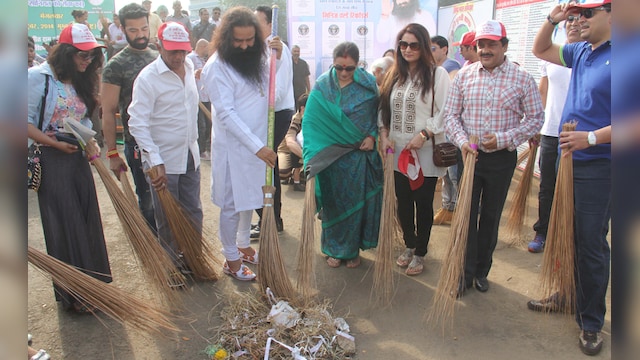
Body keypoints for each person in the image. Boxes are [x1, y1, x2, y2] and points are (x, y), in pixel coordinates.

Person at [529, 1, 611, 355]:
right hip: (569, 159)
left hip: (600, 164)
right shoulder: (580, 52)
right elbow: (541, 49)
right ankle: (566, 294)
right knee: (566, 233)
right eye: (577, 14)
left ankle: (591, 321)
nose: (580, 20)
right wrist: (552, 19)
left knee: (591, 243)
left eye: (588, 13)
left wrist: (591, 138)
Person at [444, 20, 544, 297]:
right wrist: (464, 143)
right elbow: (450, 116)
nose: (485, 49)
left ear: (504, 46)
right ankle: (462, 273)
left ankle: (481, 271)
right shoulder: (464, 76)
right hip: (469, 157)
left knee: (489, 216)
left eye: (491, 44)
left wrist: (504, 138)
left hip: (501, 159)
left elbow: (536, 118)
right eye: (481, 44)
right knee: (465, 214)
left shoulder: (521, 78)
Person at [27, 23, 111, 313]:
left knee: (87, 219)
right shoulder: (38, 78)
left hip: (77, 157)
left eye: (91, 56)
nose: (87, 61)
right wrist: (54, 144)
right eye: (81, 55)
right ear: (65, 53)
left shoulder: (83, 80)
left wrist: (91, 142)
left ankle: (95, 287)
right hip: (52, 160)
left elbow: (84, 120)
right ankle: (76, 295)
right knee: (66, 224)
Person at [200, 6, 285, 280]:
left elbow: (270, 82)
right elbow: (225, 113)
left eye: (251, 40)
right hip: (235, 148)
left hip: (259, 143)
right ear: (226, 38)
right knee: (231, 204)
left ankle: (243, 244)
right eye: (239, 41)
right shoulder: (217, 67)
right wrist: (256, 146)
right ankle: (231, 259)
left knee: (250, 198)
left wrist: (278, 57)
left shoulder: (256, 54)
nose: (246, 46)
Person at [128, 21, 202, 280]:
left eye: (183, 51)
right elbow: (137, 122)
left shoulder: (190, 66)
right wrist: (153, 160)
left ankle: (194, 258)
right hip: (163, 160)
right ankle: (171, 267)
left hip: (190, 155)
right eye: (173, 51)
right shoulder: (148, 79)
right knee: (167, 218)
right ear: (159, 47)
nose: (179, 56)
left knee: (193, 210)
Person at [303, 41, 383, 268]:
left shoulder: (368, 85)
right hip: (330, 157)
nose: (344, 73)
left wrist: (372, 136)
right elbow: (310, 124)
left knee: (355, 204)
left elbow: (377, 117)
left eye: (350, 68)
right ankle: (334, 250)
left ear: (358, 65)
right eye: (339, 67)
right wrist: (311, 158)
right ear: (333, 63)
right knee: (334, 203)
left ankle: (352, 250)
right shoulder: (322, 86)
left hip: (357, 156)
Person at [378, 23, 450, 275]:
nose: (408, 49)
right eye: (403, 44)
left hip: (425, 151)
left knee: (422, 202)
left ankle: (420, 252)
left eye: (414, 45)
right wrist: (384, 133)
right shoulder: (395, 75)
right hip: (398, 150)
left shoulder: (437, 74)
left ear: (424, 46)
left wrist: (424, 134)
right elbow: (383, 110)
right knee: (403, 201)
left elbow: (445, 111)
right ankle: (409, 245)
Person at [101, 3, 158, 232]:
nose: (141, 35)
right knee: (149, 201)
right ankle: (157, 253)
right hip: (138, 145)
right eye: (133, 30)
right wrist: (113, 153)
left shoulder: (159, 57)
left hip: (166, 141)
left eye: (144, 29)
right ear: (122, 29)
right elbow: (107, 111)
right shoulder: (116, 65)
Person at [528, 16, 581, 253]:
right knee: (547, 185)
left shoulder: (592, 54)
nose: (573, 24)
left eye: (580, 18)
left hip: (579, 135)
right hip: (551, 131)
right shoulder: (554, 54)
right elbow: (542, 91)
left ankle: (567, 234)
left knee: (573, 188)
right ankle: (543, 231)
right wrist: (537, 126)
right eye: (569, 19)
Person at [249, 5, 296, 237]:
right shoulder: (258, 48)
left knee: (266, 161)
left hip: (276, 113)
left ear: (270, 24)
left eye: (258, 22)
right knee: (266, 162)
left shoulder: (278, 49)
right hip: (263, 112)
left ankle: (271, 219)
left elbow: (276, 89)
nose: (254, 27)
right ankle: (269, 218)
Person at [432, 34, 463, 226]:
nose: (431, 52)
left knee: (453, 172)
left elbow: (448, 97)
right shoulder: (433, 70)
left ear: (444, 49)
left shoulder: (450, 67)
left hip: (451, 129)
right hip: (441, 130)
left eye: (434, 48)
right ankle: (447, 207)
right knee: (445, 171)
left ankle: (458, 208)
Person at [187, 38, 212, 160]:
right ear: (202, 47)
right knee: (200, 124)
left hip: (206, 97)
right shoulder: (190, 59)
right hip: (196, 98)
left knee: (208, 124)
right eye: (207, 48)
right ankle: (200, 150)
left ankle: (204, 148)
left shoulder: (204, 60)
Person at [284, 93, 309, 192]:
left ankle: (299, 178)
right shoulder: (295, 119)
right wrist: (306, 157)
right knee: (285, 171)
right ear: (303, 108)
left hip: (303, 147)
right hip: (291, 148)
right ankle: (296, 182)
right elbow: (290, 142)